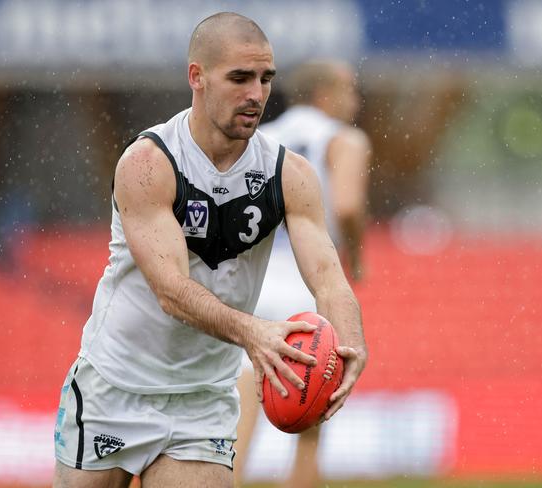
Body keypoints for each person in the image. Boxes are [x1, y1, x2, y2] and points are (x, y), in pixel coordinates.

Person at [53, 13, 367, 488]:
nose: (256, 94)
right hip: (114, 385)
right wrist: (254, 333)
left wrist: (349, 341)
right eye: (239, 78)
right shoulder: (148, 163)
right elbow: (172, 292)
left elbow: (328, 277)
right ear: (196, 77)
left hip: (203, 399)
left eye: (265, 79)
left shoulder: (289, 174)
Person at [233, 60, 371, 488]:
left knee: (242, 406)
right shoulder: (345, 139)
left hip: (253, 285)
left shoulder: (260, 140)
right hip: (307, 284)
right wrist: (356, 252)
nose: (356, 99)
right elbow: (346, 205)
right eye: (349, 88)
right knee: (312, 413)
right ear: (325, 94)